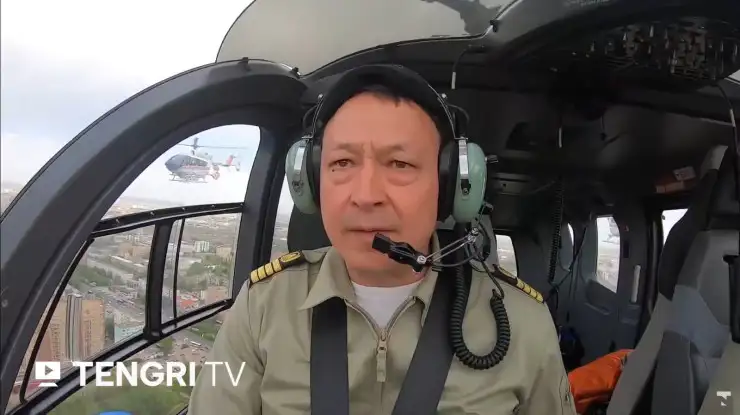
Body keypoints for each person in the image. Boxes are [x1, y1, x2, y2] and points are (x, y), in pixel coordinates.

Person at [188, 64, 577, 415]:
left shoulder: (521, 321)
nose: (366, 195)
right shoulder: (261, 307)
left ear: (449, 188)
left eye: (400, 164)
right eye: (342, 163)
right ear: (311, 181)